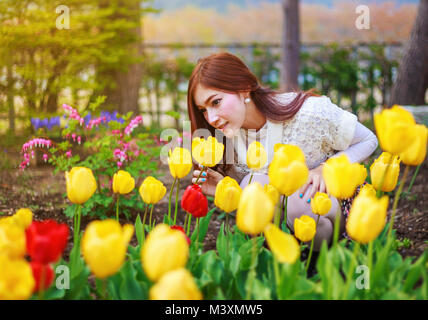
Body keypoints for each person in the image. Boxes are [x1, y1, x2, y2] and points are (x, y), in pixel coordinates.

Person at [187, 52, 378, 251]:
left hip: (334, 204)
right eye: (203, 110)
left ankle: (319, 263)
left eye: (216, 102)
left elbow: (368, 140)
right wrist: (225, 190)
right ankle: (279, 261)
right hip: (286, 228)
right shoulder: (225, 141)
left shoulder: (308, 113)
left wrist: (327, 168)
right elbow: (256, 206)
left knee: (295, 199)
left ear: (243, 89)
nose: (211, 118)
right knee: (253, 184)